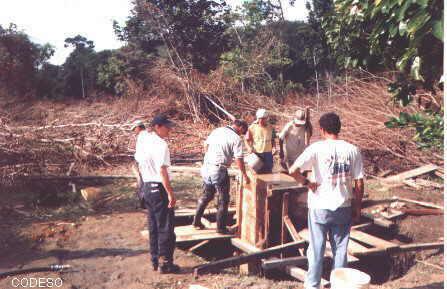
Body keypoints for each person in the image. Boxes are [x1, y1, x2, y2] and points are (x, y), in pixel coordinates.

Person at [287, 112, 364, 289]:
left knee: (316, 249)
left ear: (322, 130)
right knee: (340, 250)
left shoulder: (316, 148)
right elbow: (359, 182)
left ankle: (312, 285)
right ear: (339, 128)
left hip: (319, 206)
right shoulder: (352, 150)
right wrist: (357, 208)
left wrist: (307, 183)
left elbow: (292, 170)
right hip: (343, 206)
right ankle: (340, 285)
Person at [134, 114, 180, 274]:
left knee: (153, 226)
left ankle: (155, 260)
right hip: (158, 188)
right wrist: (170, 193)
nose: (170, 130)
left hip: (146, 187)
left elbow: (138, 163)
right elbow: (162, 171)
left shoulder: (143, 139)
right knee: (166, 227)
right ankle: (166, 263)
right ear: (158, 126)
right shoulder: (161, 145)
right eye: (167, 127)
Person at [192, 119, 250, 234]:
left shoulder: (217, 130)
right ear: (241, 127)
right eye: (243, 132)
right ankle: (221, 228)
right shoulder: (236, 138)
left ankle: (196, 222)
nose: (242, 134)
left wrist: (211, 157)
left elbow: (206, 145)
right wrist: (244, 174)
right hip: (218, 170)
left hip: (206, 167)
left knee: (207, 195)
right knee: (224, 200)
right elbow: (239, 159)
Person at [246, 108, 276, 173]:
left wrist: (274, 147)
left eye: (265, 118)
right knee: (257, 172)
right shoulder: (252, 127)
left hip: (268, 153)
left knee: (269, 171)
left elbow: (273, 139)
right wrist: (249, 147)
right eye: (262, 119)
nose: (264, 120)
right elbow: (246, 139)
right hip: (257, 153)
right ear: (258, 119)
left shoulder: (270, 127)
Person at [131, 120, 149, 208]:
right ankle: (145, 202)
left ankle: (144, 203)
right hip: (146, 163)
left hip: (143, 163)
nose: (134, 131)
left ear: (138, 127)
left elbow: (141, 153)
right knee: (144, 182)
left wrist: (138, 163)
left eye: (134, 129)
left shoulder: (142, 136)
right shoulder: (149, 135)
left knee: (143, 183)